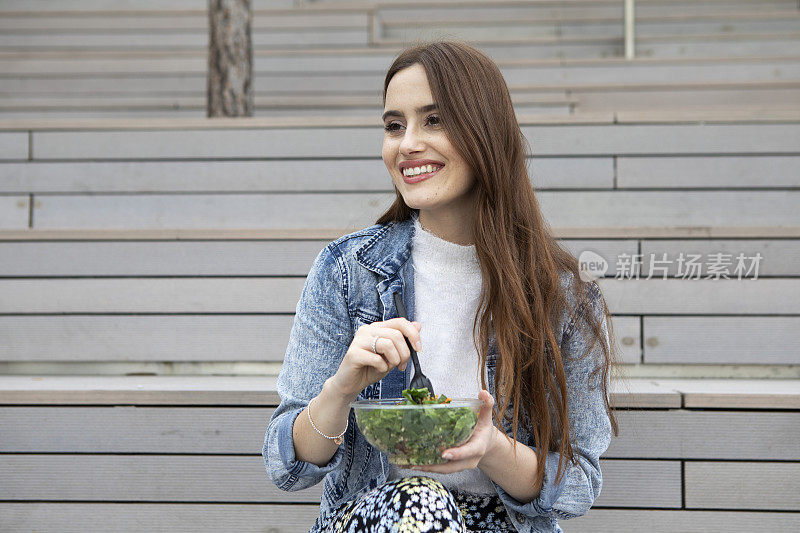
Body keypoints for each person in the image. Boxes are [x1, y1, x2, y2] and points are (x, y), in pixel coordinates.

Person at [263, 40, 619, 533]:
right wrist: (341, 389)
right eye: (394, 125)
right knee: (418, 502)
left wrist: (489, 447)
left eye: (433, 120)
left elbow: (576, 482)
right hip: (377, 516)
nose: (407, 143)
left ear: (485, 133)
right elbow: (287, 464)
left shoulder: (564, 296)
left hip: (503, 524)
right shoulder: (347, 271)